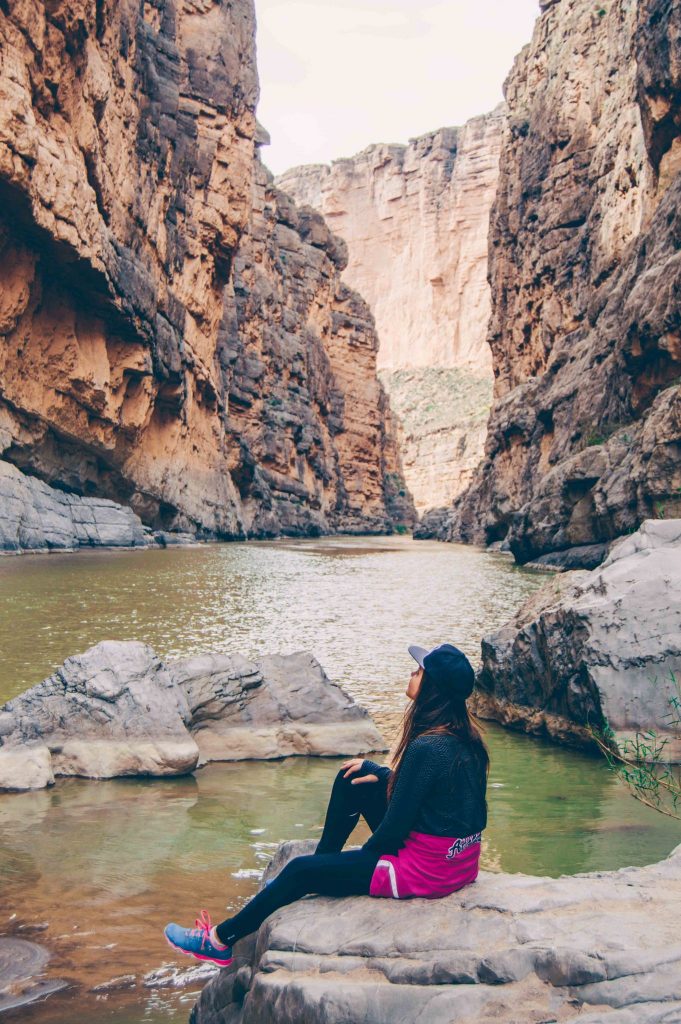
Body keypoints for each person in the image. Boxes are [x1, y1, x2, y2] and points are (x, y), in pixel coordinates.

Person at [164, 642, 490, 968]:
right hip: (458, 863)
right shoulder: (467, 740)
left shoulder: (427, 747)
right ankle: (324, 864)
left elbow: (392, 833)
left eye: (419, 670)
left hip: (425, 873)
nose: (412, 672)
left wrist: (358, 863)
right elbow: (444, 804)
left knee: (300, 870)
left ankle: (219, 941)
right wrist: (380, 772)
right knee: (353, 777)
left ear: (433, 688)